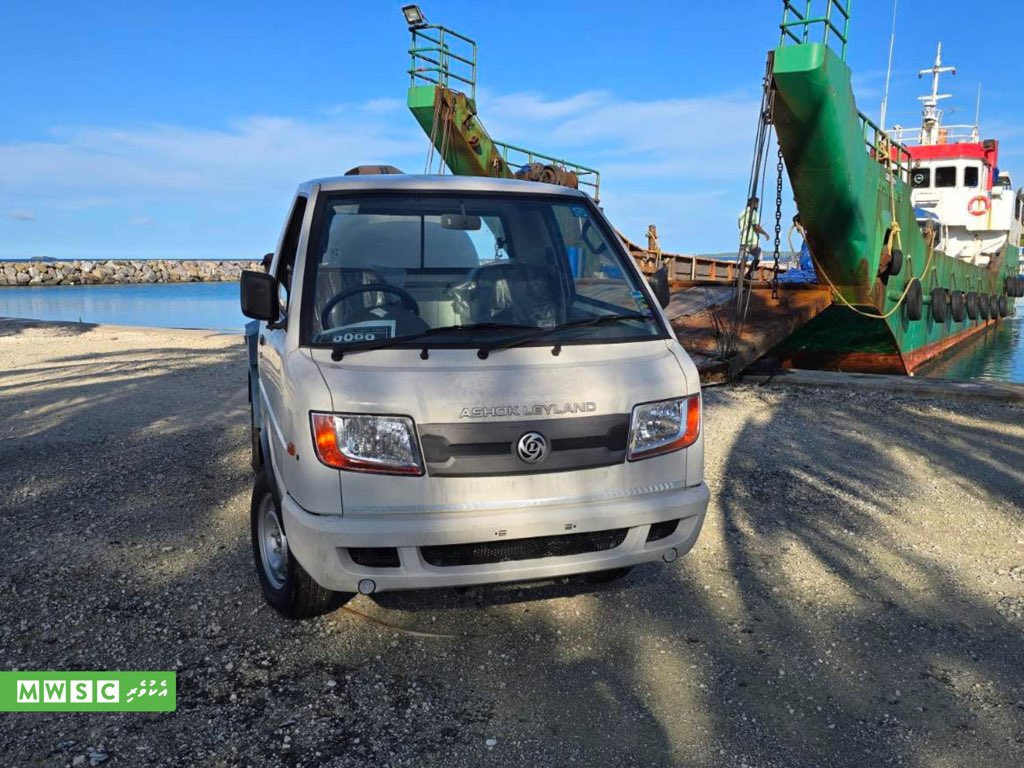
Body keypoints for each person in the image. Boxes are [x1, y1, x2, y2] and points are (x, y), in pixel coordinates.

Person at [738, 196, 769, 277]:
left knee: (743, 259)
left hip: (743, 240)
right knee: (759, 256)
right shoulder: (754, 213)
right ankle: (748, 274)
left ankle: (740, 275)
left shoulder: (742, 213)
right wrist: (765, 233)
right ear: (754, 204)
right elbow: (756, 227)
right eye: (757, 204)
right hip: (752, 241)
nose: (757, 206)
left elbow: (740, 226)